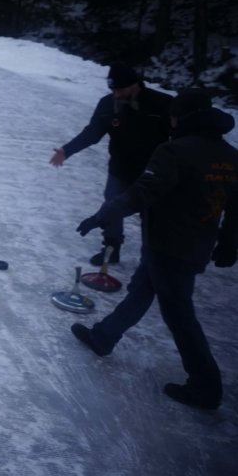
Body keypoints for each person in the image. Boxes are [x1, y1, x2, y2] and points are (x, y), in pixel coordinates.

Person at [72, 90, 238, 411]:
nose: (170, 120)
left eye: (174, 116)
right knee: (141, 290)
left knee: (179, 314)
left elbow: (140, 194)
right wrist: (229, 243)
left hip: (168, 245)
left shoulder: (174, 152)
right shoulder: (230, 156)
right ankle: (103, 337)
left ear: (183, 117)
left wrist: (100, 216)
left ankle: (206, 385)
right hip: (195, 246)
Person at [50, 65, 173, 265]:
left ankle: (153, 257)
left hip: (153, 173)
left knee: (151, 216)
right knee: (113, 207)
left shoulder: (162, 104)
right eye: (113, 90)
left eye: (121, 90)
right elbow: (92, 133)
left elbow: (181, 137)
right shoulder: (107, 105)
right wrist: (67, 150)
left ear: (135, 85)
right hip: (120, 169)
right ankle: (111, 248)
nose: (116, 95)